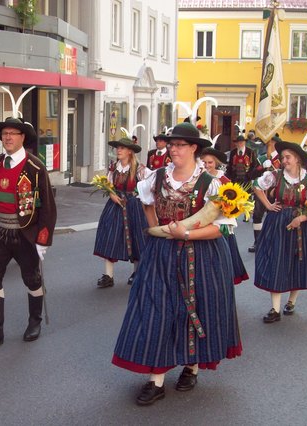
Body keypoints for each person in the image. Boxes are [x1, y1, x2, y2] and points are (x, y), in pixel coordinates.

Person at [112, 123, 242, 406]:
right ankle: (155, 380)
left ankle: (191, 366)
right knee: (155, 310)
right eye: (170, 144)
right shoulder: (157, 177)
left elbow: (225, 229)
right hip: (162, 253)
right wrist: (155, 229)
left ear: (194, 148)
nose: (173, 149)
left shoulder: (213, 183)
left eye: (179, 144)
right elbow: (145, 202)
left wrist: (186, 233)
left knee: (195, 309)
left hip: (203, 256)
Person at [0, 115, 57, 349]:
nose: (7, 137)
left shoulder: (35, 167)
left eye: (13, 134)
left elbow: (48, 207)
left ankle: (34, 322)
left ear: (22, 137)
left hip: (25, 233)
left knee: (31, 279)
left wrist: (43, 240)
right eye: (5, 134)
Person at [253, 140, 307, 323]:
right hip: (277, 224)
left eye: (287, 157)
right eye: (283, 157)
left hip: (301, 227)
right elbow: (256, 186)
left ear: (297, 159)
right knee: (275, 261)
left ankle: (291, 301)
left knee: (297, 262)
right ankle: (275, 308)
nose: (284, 160)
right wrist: (268, 205)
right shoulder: (275, 175)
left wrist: (301, 218)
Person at [94, 136, 152, 288]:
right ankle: (108, 275)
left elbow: (150, 185)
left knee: (137, 237)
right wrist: (111, 194)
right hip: (115, 205)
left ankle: (137, 272)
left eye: (122, 148)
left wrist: (139, 197)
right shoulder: (114, 168)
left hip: (134, 206)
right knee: (109, 236)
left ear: (130, 152)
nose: (118, 150)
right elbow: (107, 184)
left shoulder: (140, 169)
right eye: (117, 148)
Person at [200, 147, 248, 284]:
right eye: (204, 162)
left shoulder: (224, 180)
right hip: (202, 222)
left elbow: (236, 204)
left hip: (219, 224)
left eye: (210, 162)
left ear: (216, 163)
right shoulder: (198, 177)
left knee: (222, 259)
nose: (207, 165)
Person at [248, 134, 282, 252]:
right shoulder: (262, 158)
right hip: (261, 191)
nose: (269, 145)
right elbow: (251, 175)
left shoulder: (282, 159)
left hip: (275, 192)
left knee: (273, 216)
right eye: (268, 143)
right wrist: (261, 167)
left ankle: (272, 242)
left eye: (271, 143)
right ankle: (258, 242)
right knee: (257, 216)